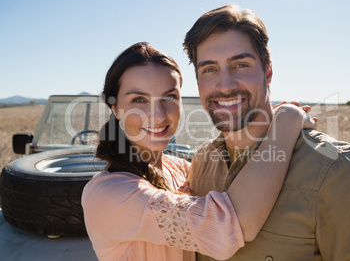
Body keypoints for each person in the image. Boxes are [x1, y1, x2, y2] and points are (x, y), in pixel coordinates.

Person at [183, 4, 350, 260]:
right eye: (209, 69)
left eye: (240, 65)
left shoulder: (339, 170)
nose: (225, 85)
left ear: (268, 71)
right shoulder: (199, 166)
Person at [81, 42, 315, 261]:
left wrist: (259, 124)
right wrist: (287, 120)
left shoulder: (180, 168)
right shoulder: (106, 194)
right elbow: (227, 227)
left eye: (169, 96)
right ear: (116, 109)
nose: (159, 115)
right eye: (139, 99)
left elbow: (238, 177)